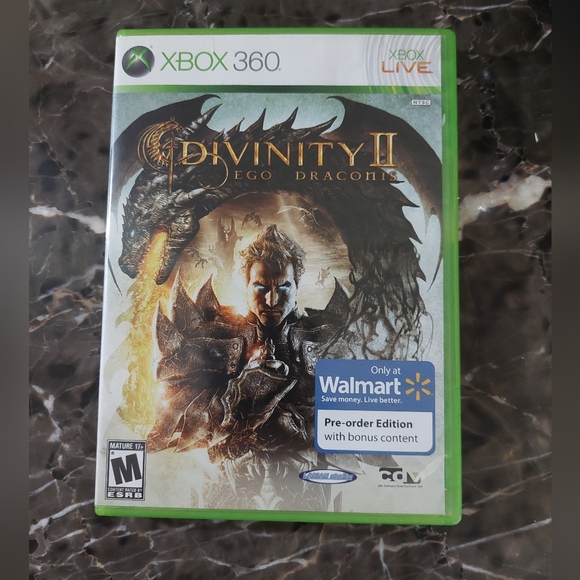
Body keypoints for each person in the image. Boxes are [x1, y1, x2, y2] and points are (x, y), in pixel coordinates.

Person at [147, 224, 348, 509]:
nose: (271, 300)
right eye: (261, 288)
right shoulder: (220, 337)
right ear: (247, 285)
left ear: (297, 287)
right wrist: (243, 388)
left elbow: (346, 419)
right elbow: (180, 410)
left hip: (303, 482)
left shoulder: (323, 341)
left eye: (283, 287)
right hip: (229, 480)